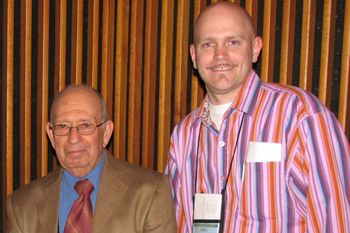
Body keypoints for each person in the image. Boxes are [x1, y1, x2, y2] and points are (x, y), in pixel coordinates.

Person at [165, 2, 350, 233]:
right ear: (194, 55)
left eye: (233, 42)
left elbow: (334, 222)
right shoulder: (184, 134)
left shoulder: (301, 116)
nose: (220, 55)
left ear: (255, 48)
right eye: (208, 44)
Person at [6, 85, 176, 233]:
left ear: (106, 133)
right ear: (51, 135)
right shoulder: (22, 207)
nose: (73, 138)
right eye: (63, 126)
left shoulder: (149, 193)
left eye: (85, 125)